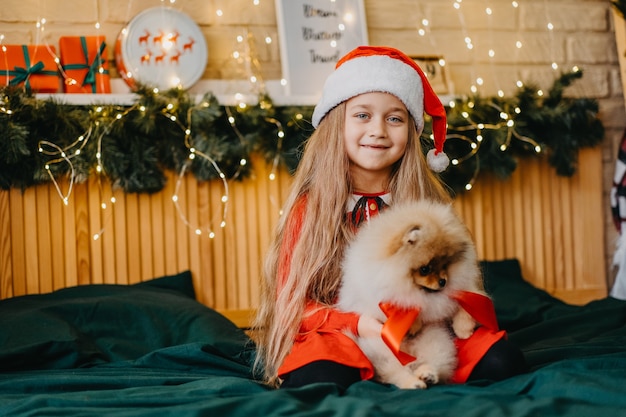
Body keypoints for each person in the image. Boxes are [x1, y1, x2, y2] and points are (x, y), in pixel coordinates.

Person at [252, 46, 528, 389]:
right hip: (344, 331)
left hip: (424, 329)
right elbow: (295, 304)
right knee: (320, 376)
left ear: (411, 132)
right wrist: (362, 325)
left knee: (502, 362)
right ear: (337, 123)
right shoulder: (310, 210)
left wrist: (457, 309)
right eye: (362, 115)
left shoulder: (426, 203)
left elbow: (456, 284)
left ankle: (417, 368)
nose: (379, 130)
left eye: (394, 118)